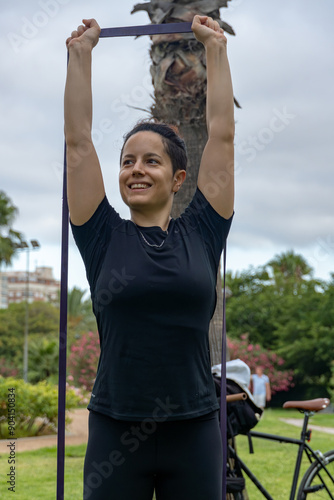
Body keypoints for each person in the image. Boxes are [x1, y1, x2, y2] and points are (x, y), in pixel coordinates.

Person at [65, 14, 234, 500]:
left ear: (178, 178)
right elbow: (78, 141)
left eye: (151, 160)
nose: (135, 170)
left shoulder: (202, 230)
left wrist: (215, 51)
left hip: (195, 428)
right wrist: (80, 56)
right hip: (116, 430)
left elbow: (221, 136)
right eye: (127, 161)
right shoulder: (101, 236)